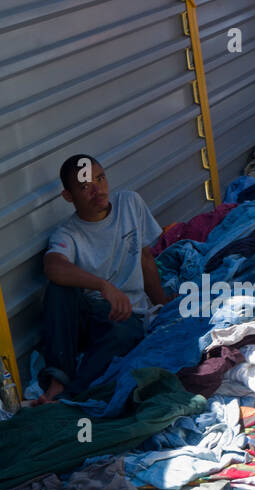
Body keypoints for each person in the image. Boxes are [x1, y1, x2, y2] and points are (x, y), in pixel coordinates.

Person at [32, 154, 170, 404]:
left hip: (127, 316)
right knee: (58, 289)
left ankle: (71, 394)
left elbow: (145, 258)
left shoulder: (129, 203)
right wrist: (103, 286)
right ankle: (57, 381)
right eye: (85, 187)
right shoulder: (68, 233)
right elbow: (53, 266)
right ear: (68, 196)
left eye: (101, 178)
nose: (98, 190)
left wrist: (165, 307)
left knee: (124, 335)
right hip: (89, 317)